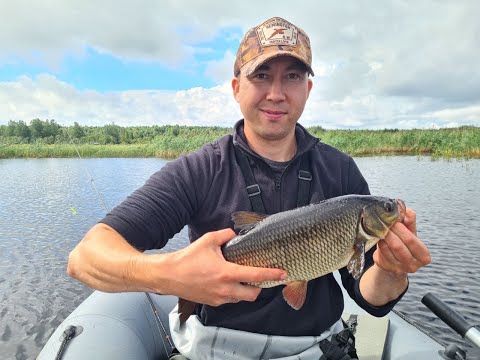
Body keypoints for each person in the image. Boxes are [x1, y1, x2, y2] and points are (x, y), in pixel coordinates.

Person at [67, 16, 431, 359]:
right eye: (261, 75)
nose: (276, 93)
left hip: (321, 347)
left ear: (308, 89)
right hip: (217, 348)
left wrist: (392, 269)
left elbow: (369, 296)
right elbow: (85, 258)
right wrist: (167, 276)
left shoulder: (340, 170)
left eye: (291, 76)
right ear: (237, 87)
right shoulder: (199, 170)